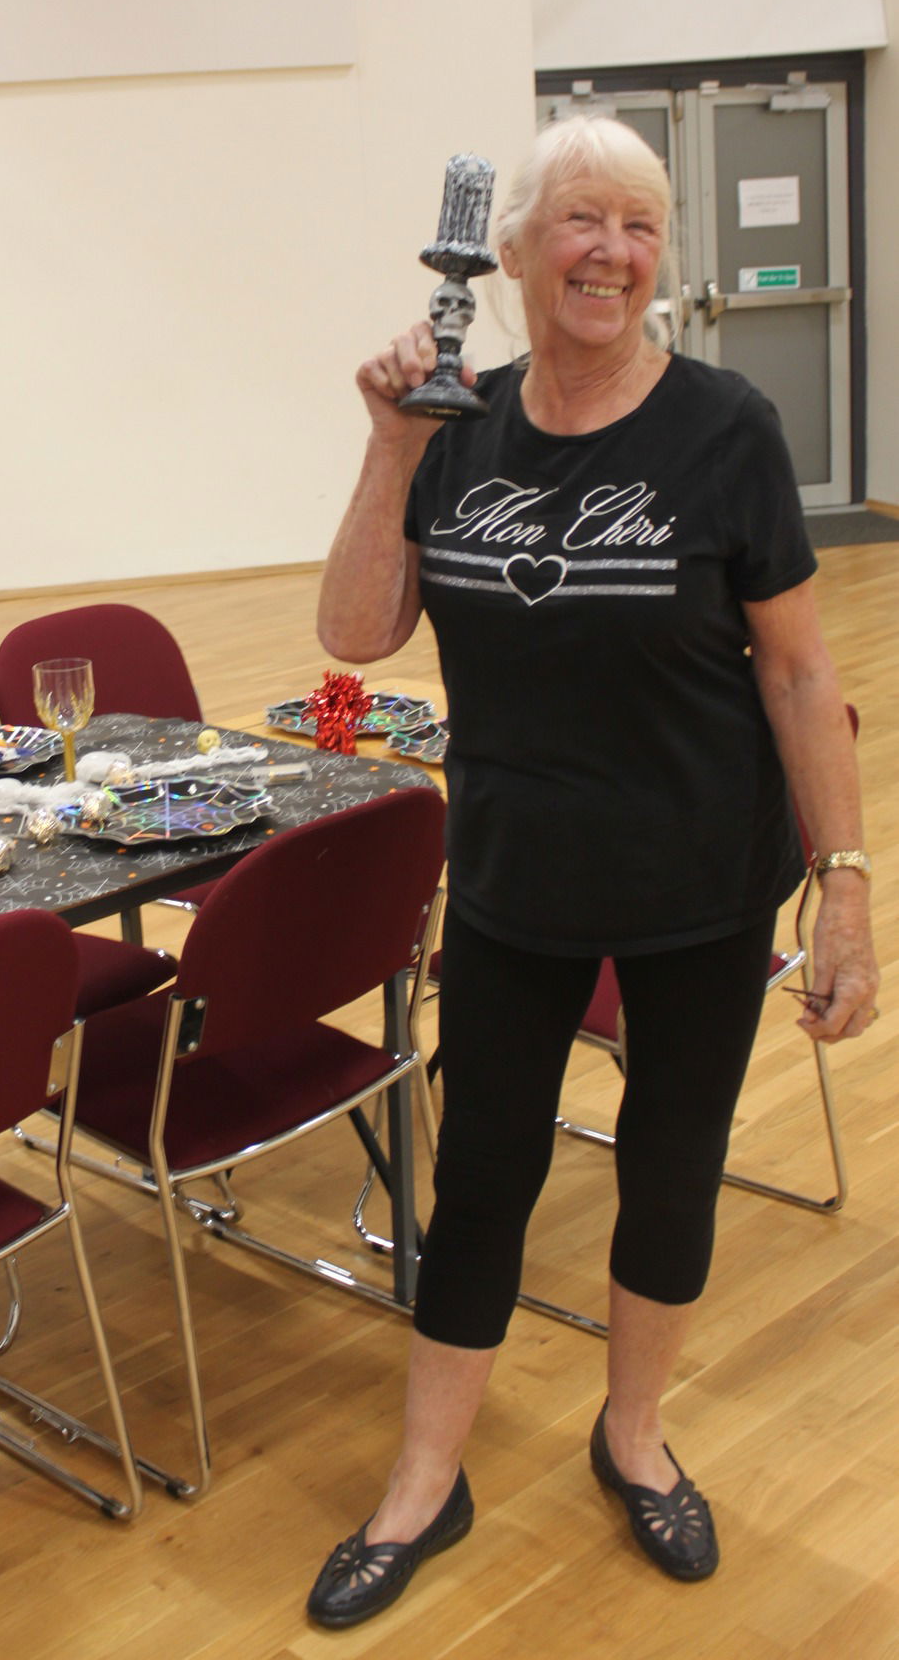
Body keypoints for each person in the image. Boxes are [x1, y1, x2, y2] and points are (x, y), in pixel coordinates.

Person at [306, 115, 881, 1630]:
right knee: (482, 1176)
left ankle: (633, 1437)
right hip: (515, 876)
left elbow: (797, 670)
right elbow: (356, 635)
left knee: (670, 1166)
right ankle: (425, 1478)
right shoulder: (454, 425)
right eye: (581, 220)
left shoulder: (725, 429)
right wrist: (390, 444)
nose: (612, 253)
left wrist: (844, 883)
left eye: (639, 224)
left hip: (700, 880)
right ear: (511, 252)